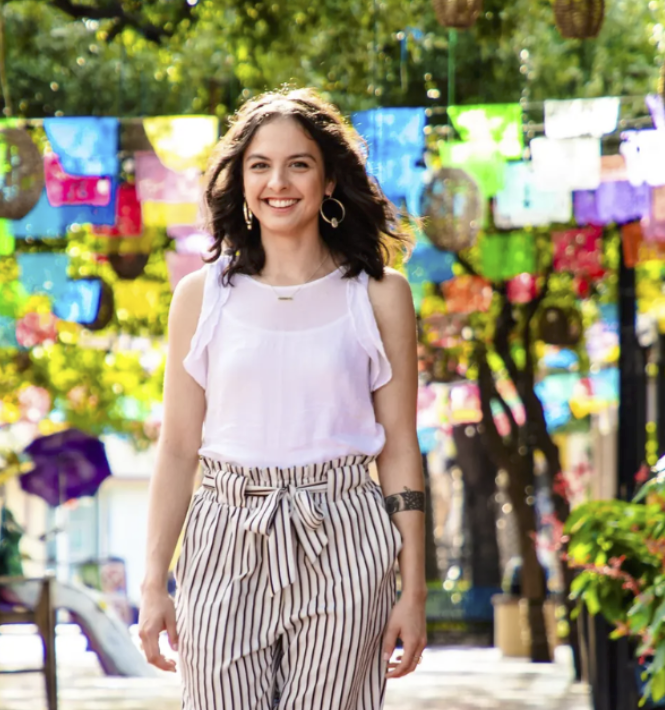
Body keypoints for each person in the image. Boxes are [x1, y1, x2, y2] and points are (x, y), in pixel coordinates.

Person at [138, 88, 428, 710]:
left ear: (328, 182)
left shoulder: (381, 295)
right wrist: (153, 582)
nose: (279, 181)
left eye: (299, 163)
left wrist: (414, 589)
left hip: (345, 531)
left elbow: (400, 446)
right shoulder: (199, 295)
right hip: (224, 533)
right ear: (240, 181)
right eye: (260, 165)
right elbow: (179, 448)